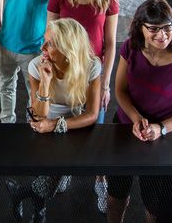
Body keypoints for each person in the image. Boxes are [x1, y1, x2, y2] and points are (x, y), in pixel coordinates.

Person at [106, 0, 172, 223]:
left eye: (167, 28)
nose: (162, 35)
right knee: (115, 197)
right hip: (124, 128)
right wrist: (136, 118)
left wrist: (160, 128)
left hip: (162, 137)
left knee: (155, 206)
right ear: (140, 27)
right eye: (153, 29)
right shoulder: (130, 47)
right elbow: (120, 90)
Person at [6, 18, 101, 223]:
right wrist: (46, 83)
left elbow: (92, 115)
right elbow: (38, 115)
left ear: (69, 48)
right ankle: (40, 214)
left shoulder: (91, 66)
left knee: (53, 182)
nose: (42, 47)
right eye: (44, 40)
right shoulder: (35, 65)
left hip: (70, 121)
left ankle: (19, 192)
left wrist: (58, 125)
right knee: (46, 171)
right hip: (39, 117)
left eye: (50, 43)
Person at [47, 0, 118, 212]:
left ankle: (100, 180)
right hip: (65, 70)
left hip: (93, 71)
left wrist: (106, 82)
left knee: (95, 127)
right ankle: (65, 169)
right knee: (65, 120)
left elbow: (110, 43)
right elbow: (50, 34)